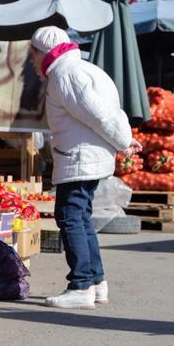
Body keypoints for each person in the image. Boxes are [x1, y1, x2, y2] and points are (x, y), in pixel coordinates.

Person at [29, 26, 142, 309]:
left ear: (42, 52)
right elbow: (110, 112)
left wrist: (123, 140)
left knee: (69, 217)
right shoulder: (83, 69)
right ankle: (96, 281)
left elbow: (100, 115)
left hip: (79, 159)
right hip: (85, 157)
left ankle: (80, 285)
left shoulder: (66, 75)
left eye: (32, 55)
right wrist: (123, 139)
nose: (31, 62)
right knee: (80, 218)